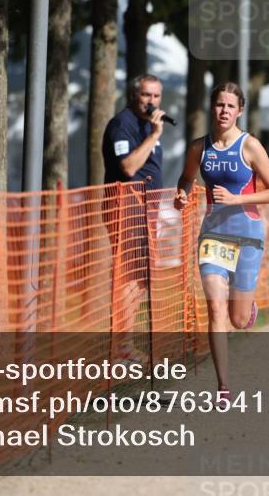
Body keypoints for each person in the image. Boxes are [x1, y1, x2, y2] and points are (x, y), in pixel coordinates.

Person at [174, 82, 269, 401]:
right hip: (213, 236)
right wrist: (181, 194)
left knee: (237, 318)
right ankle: (223, 387)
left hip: (247, 235)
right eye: (219, 105)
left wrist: (236, 199)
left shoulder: (250, 146)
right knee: (215, 308)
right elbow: (186, 178)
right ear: (212, 107)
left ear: (240, 111)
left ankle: (247, 310)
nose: (224, 111)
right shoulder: (199, 147)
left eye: (230, 106)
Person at [101, 74, 167, 363]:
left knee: (141, 279)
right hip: (126, 206)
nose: (151, 101)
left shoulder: (146, 125)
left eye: (155, 96)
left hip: (146, 210)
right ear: (134, 95)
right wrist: (153, 136)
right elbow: (127, 167)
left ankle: (124, 346)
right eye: (146, 95)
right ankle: (118, 350)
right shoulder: (123, 125)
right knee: (129, 277)